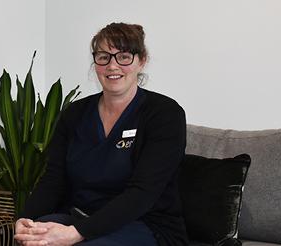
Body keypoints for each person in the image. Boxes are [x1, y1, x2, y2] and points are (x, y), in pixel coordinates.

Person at [14, 23, 188, 246]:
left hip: (146, 224)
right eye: (104, 57)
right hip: (79, 215)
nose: (112, 66)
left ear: (141, 60)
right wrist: (25, 218)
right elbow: (53, 180)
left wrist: (77, 233)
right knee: (33, 238)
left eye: (123, 57)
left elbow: (143, 193)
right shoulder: (74, 114)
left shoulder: (164, 114)